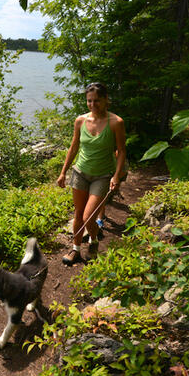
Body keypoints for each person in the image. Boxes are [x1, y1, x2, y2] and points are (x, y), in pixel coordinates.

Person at [57, 82, 126, 264]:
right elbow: (73, 148)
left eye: (97, 101)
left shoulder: (116, 123)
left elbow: (121, 151)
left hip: (102, 175)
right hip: (80, 172)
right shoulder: (80, 121)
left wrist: (116, 176)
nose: (93, 105)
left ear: (105, 100)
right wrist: (63, 172)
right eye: (89, 101)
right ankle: (75, 249)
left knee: (89, 216)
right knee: (78, 214)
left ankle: (93, 241)